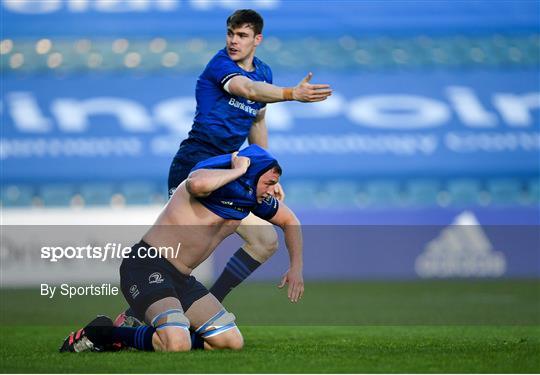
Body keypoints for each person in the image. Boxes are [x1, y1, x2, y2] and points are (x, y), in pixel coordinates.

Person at [60, 145, 303, 353]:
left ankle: (147, 333)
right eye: (270, 183)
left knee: (230, 342)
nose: (274, 190)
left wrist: (296, 268)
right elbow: (195, 184)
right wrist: (239, 168)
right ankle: (103, 333)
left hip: (182, 279)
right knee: (177, 344)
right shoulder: (210, 180)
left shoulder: (249, 197)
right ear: (251, 173)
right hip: (147, 265)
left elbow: (290, 221)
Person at [165, 8, 330, 303]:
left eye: (242, 35)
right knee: (182, 256)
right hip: (195, 165)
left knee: (265, 242)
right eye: (230, 33)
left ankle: (209, 304)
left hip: (229, 168)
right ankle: (127, 321)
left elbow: (257, 120)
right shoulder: (220, 66)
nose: (233, 41)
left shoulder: (264, 71)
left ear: (258, 39)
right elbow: (249, 90)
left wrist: (264, 173)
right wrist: (293, 94)